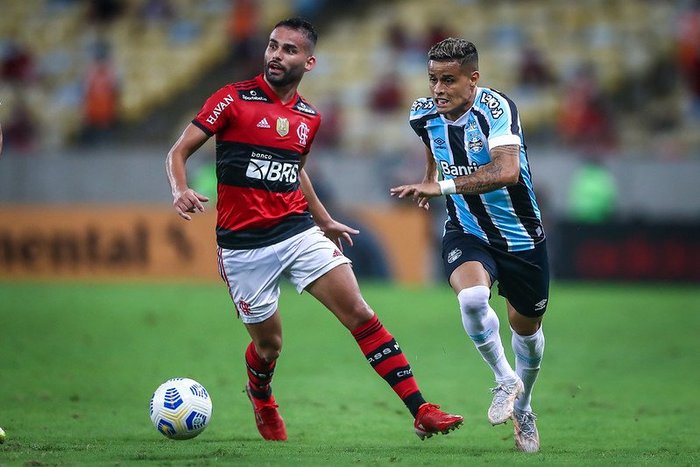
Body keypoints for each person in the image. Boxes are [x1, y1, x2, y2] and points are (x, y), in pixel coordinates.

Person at [165, 17, 463, 442]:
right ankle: (262, 395)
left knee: (360, 313)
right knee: (269, 347)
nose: (276, 55)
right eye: (272, 46)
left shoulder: (309, 116)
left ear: (309, 62)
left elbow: (296, 170)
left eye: (288, 50)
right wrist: (180, 190)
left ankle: (421, 409)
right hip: (243, 248)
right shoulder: (233, 99)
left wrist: (322, 219)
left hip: (296, 231)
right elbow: (179, 151)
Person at [391, 38, 549, 453]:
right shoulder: (422, 113)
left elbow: (508, 170)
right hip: (467, 229)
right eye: (432, 80)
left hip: (519, 235)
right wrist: (429, 178)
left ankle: (525, 406)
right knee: (473, 299)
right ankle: (503, 379)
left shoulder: (497, 109)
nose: (437, 89)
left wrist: (439, 184)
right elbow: (431, 143)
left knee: (527, 330)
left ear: (473, 78)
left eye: (448, 80)